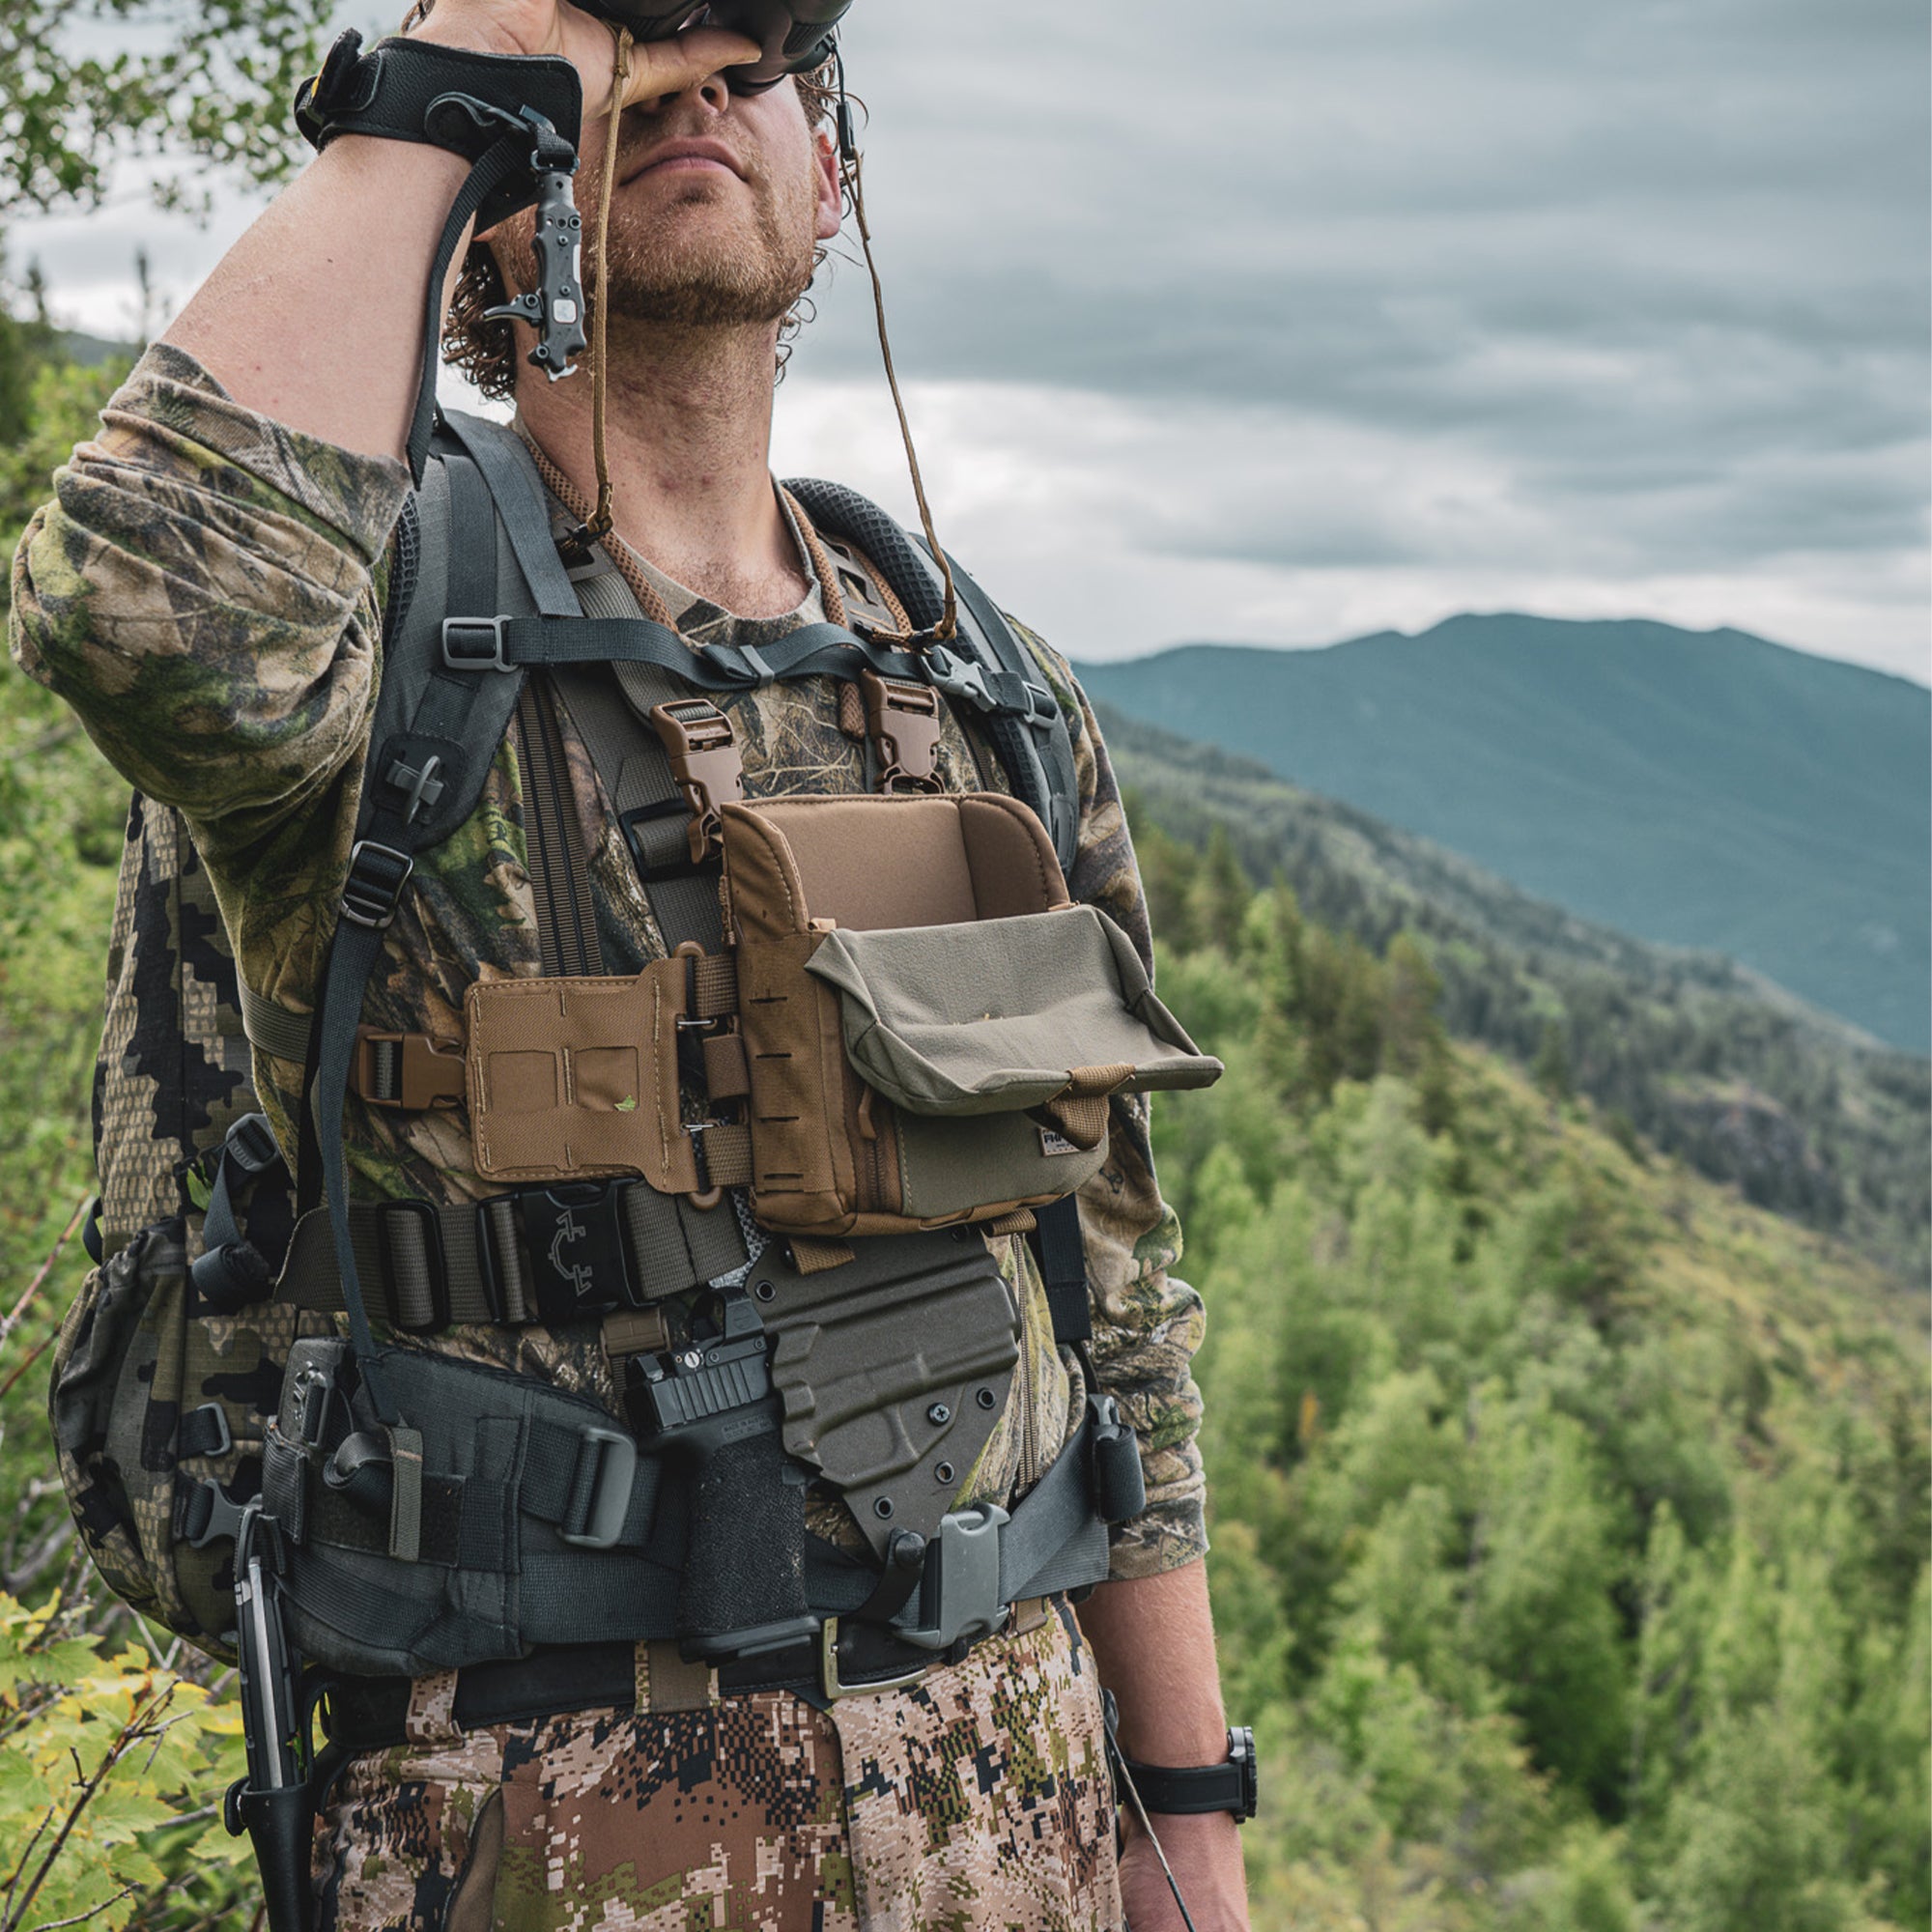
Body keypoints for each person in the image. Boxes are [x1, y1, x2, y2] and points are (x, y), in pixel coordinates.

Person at [11, 4, 1253, 1927]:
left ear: (831, 180)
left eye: (758, 71)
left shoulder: (980, 687)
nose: (703, 98)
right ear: (483, 225)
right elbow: (144, 603)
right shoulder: (380, 649)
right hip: (529, 1822)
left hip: (1010, 1801)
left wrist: (1185, 1809)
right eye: (641, 74)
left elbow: (1114, 1297)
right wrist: (485, 64)